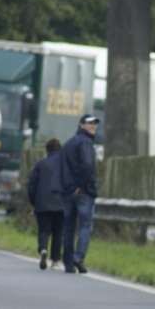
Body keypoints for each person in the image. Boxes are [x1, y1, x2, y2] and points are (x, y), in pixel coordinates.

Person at [52, 114, 99, 274]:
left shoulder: (68, 143)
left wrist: (67, 188)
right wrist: (83, 186)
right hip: (83, 192)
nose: (93, 126)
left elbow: (61, 169)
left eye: (95, 123)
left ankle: (68, 263)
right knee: (85, 225)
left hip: (68, 192)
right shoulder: (85, 142)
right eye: (90, 123)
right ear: (81, 125)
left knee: (69, 227)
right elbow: (87, 165)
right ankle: (78, 257)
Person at [28, 138, 64, 271]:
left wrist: (34, 202)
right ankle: (55, 261)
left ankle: (43, 249)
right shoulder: (65, 165)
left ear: (47, 150)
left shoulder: (40, 164)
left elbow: (32, 185)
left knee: (44, 230)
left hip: (43, 204)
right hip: (61, 203)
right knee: (58, 233)